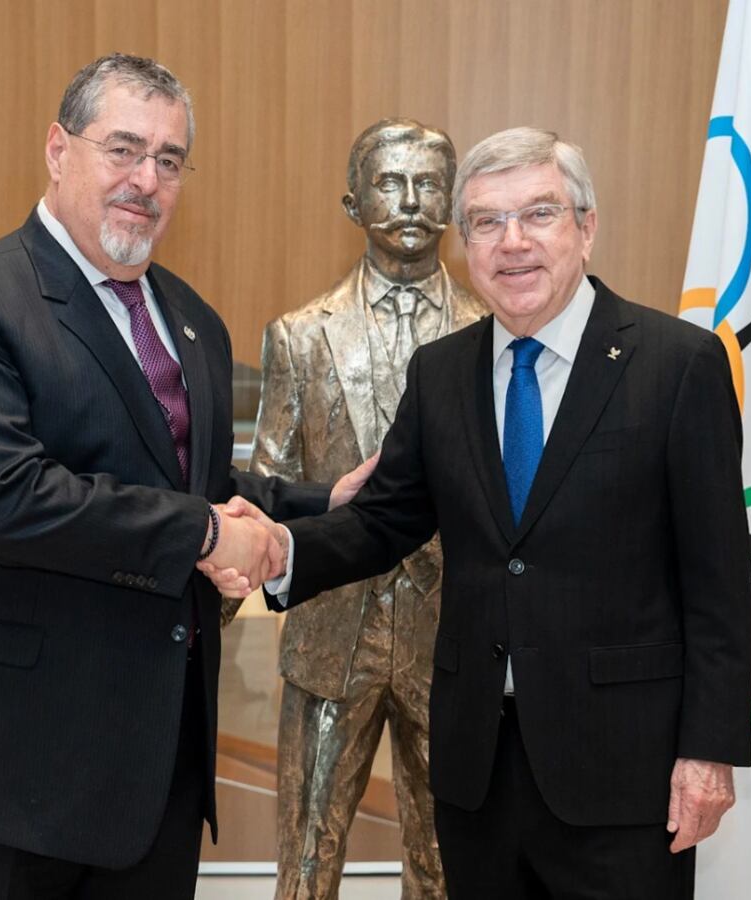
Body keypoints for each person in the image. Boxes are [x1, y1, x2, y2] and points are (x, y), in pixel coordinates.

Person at [0, 52, 372, 899]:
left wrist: (324, 502)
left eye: (169, 161)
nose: (147, 179)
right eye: (123, 149)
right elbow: (8, 497)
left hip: (152, 765)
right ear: (59, 150)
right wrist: (209, 534)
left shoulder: (193, 322)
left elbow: (191, 479)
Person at [204, 127, 751, 898]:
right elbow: (382, 521)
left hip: (623, 777)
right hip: (474, 773)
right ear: (464, 242)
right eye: (487, 222)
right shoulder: (444, 373)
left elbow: (720, 586)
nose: (513, 242)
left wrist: (708, 752)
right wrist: (277, 550)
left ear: (587, 227)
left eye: (539, 215)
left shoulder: (677, 367)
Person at [235, 118, 486, 899]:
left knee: (449, 857)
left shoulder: (497, 333)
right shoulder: (300, 338)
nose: (410, 201)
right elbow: (269, 485)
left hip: (455, 637)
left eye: (428, 183)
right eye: (389, 182)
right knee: (309, 857)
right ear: (352, 202)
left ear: (452, 201)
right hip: (332, 632)